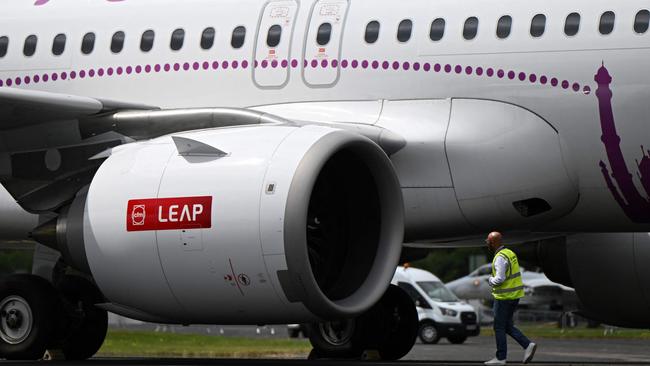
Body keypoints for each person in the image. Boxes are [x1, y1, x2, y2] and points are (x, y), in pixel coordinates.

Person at [484, 231, 537, 365]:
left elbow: (500, 278)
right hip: (514, 296)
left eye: (489, 241)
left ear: (494, 242)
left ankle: (501, 358)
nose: (487, 243)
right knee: (507, 325)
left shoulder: (500, 257)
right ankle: (527, 345)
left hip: (504, 297)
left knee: (499, 327)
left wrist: (490, 280)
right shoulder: (510, 253)